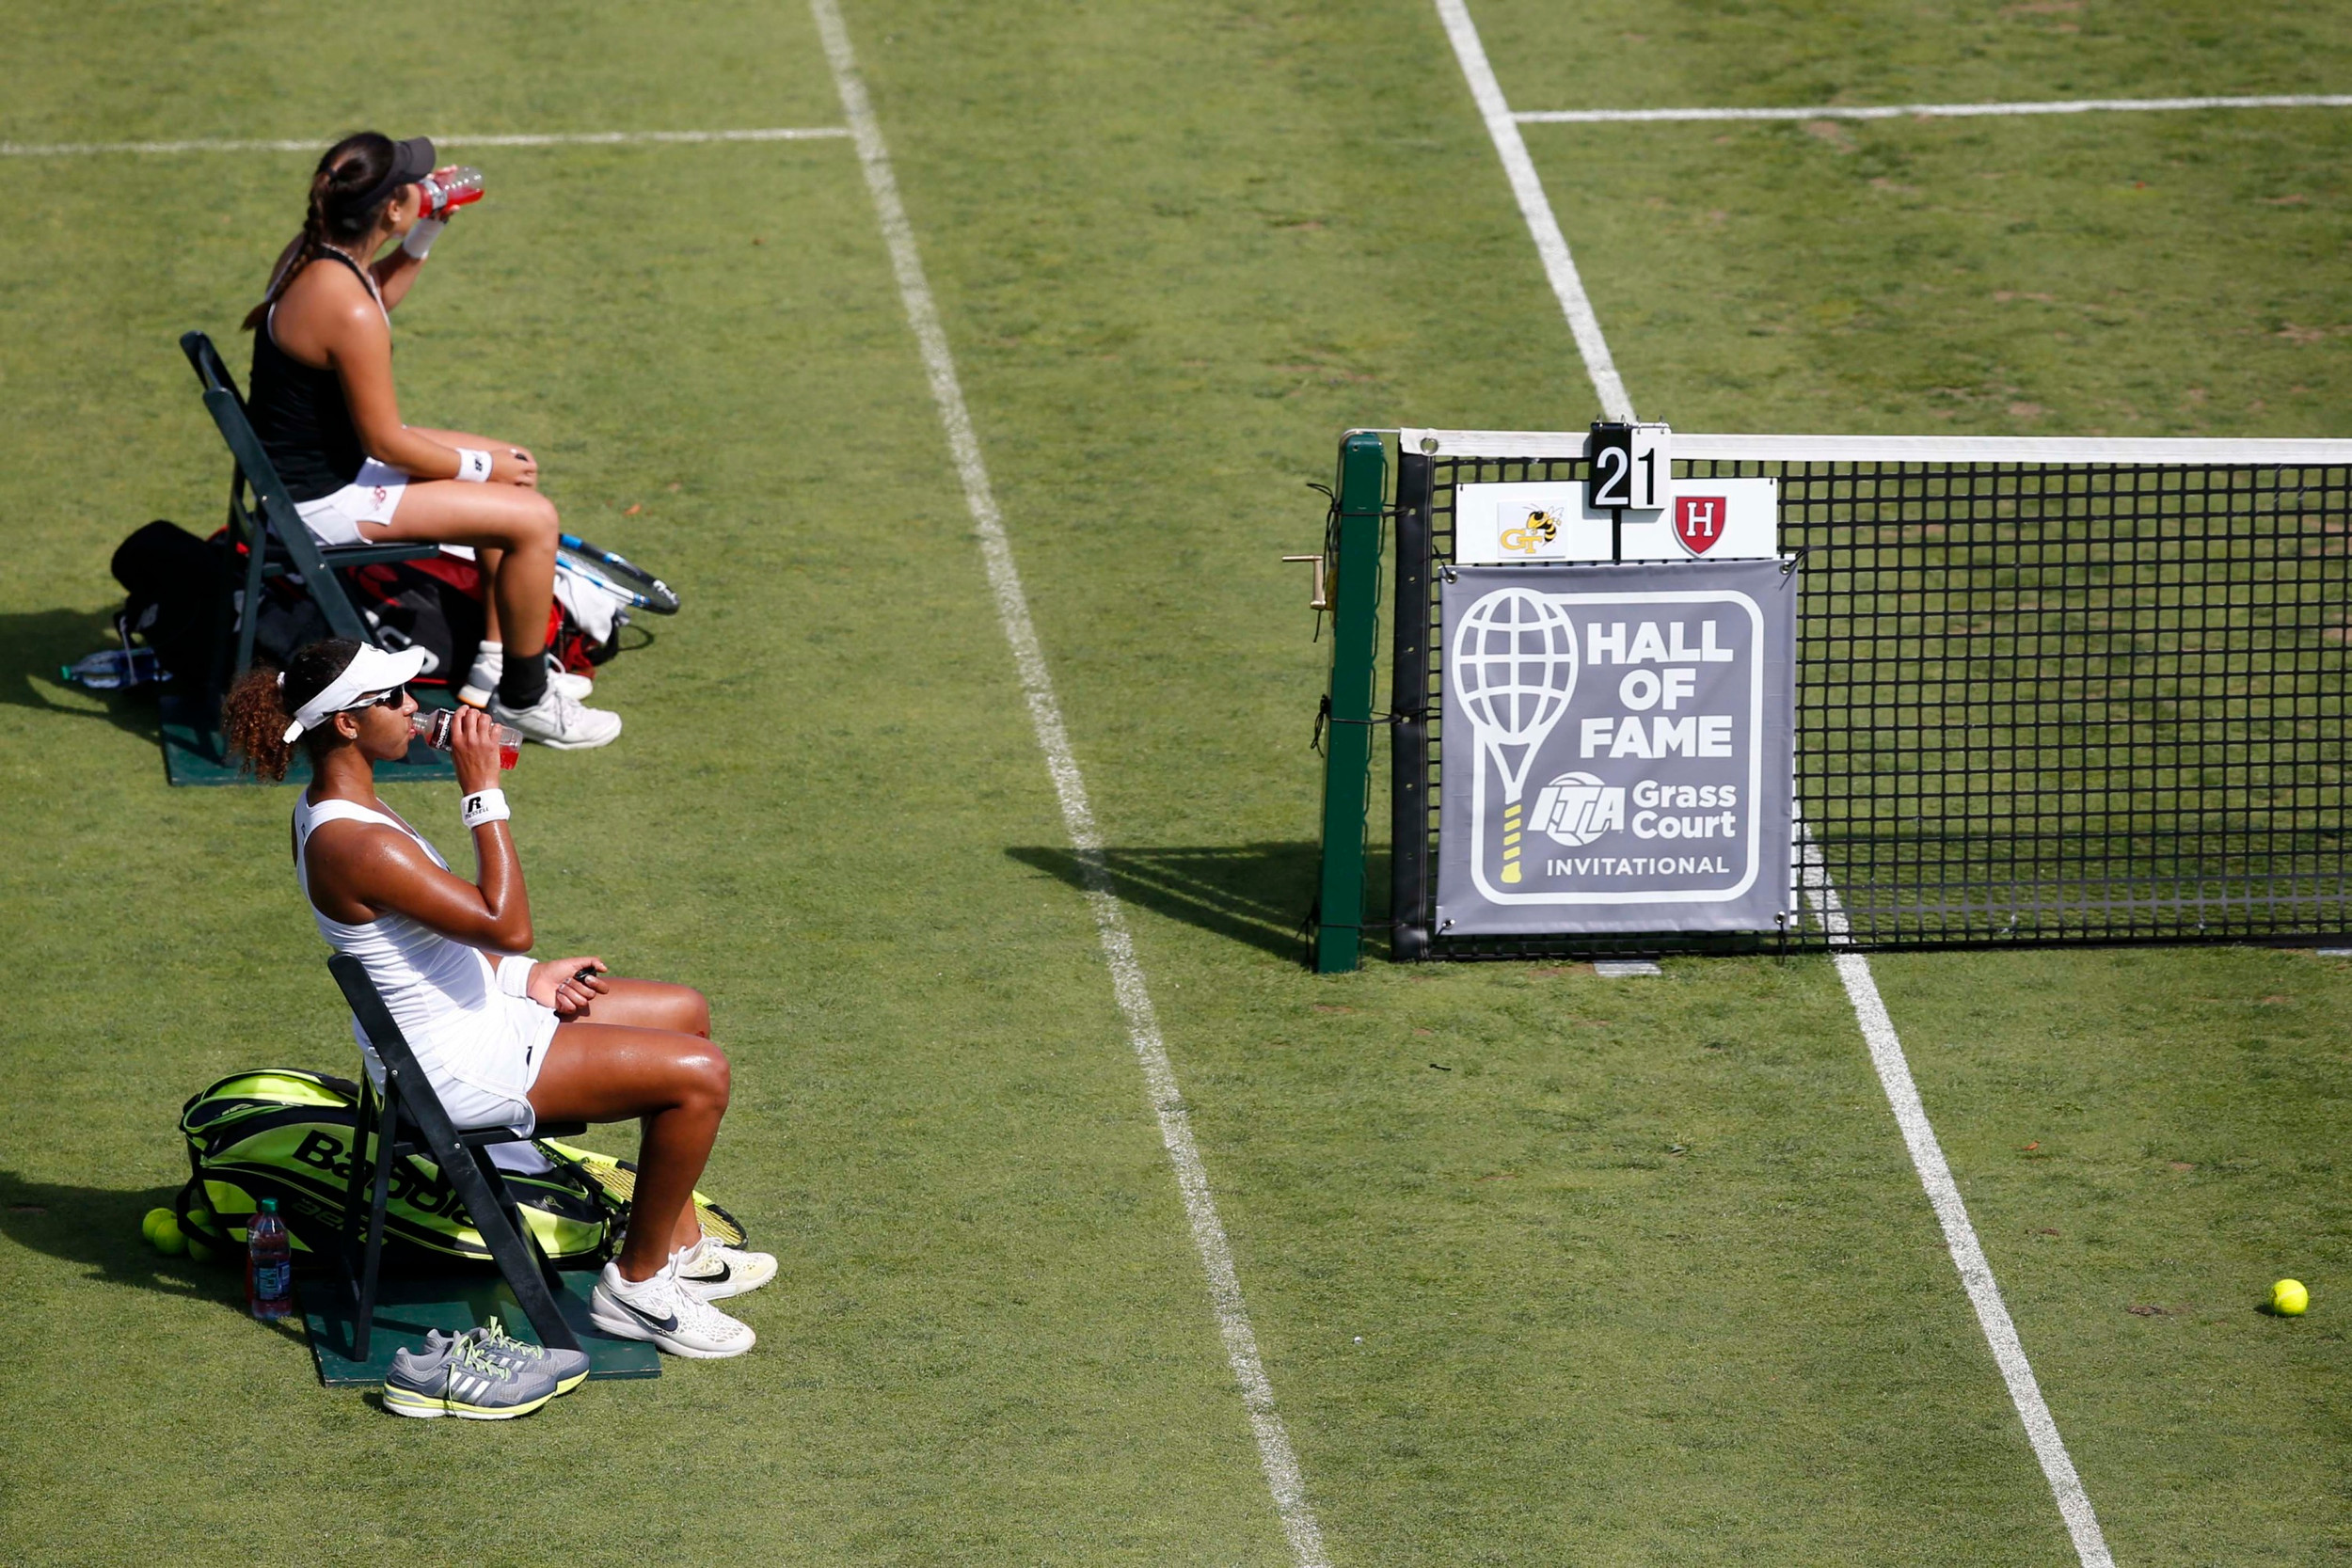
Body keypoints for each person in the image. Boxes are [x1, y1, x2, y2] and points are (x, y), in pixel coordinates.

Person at [221, 638, 770, 1356]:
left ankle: (681, 1247)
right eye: (394, 698)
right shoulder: (355, 843)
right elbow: (506, 922)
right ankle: (637, 1287)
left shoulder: (345, 806)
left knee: (685, 1011)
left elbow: (445, 936)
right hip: (454, 1064)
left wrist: (525, 978)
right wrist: (481, 789)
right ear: (347, 724)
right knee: (702, 1076)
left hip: (479, 1014)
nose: (415, 707)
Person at [243, 131, 619, 750]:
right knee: (532, 517)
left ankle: (499, 663)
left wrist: (426, 231)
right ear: (389, 209)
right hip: (325, 497)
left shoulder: (314, 255)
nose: (427, 184)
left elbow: (375, 293)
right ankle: (526, 700)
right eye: (412, 184)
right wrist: (480, 465)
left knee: (516, 467)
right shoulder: (345, 307)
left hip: (318, 466)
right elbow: (388, 441)